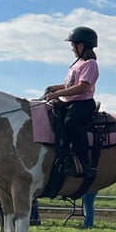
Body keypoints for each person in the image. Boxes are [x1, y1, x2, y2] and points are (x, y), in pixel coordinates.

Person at [43, 26, 99, 177]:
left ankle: (84, 164)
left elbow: (82, 87)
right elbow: (69, 85)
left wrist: (57, 94)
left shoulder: (90, 64)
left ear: (81, 45)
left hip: (83, 104)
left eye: (73, 45)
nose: (72, 49)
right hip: (70, 103)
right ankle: (63, 156)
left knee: (71, 122)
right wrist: (53, 88)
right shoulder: (77, 64)